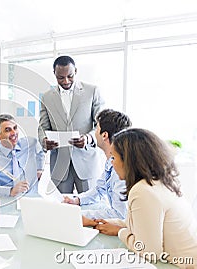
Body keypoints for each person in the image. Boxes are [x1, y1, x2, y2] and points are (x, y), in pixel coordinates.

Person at [95, 128, 197, 266]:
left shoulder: (143, 191)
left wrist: (120, 232)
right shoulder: (161, 181)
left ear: (129, 161)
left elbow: (150, 252)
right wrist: (99, 222)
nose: (111, 163)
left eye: (113, 157)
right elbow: (142, 224)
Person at [39, 55, 105, 194]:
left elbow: (101, 124)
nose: (66, 81)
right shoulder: (47, 97)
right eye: (60, 78)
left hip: (86, 162)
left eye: (69, 76)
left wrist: (88, 139)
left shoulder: (92, 91)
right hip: (60, 164)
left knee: (90, 208)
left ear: (76, 71)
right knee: (63, 209)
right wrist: (44, 141)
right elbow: (43, 127)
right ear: (54, 74)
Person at [63, 109, 131, 225]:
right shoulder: (111, 161)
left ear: (104, 135)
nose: (95, 133)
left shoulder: (121, 169)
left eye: (97, 129)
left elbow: (120, 215)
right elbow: (99, 189)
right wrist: (77, 200)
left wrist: (82, 216)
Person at [0, 114, 45, 197]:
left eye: (15, 128)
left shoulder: (30, 143)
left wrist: (39, 169)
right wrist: (10, 191)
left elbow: (40, 151)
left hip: (34, 197)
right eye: (7, 130)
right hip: (9, 201)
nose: (14, 133)